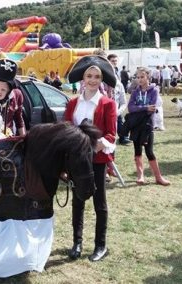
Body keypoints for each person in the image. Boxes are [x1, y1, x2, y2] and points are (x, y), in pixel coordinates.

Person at [65, 55, 117, 262]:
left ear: (101, 79)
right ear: (83, 78)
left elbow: (112, 135)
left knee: (99, 202)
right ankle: (77, 242)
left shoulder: (108, 104)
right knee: (78, 201)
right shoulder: (72, 103)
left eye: (97, 76)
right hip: (77, 161)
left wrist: (94, 146)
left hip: (96, 160)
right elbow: (68, 129)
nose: (93, 80)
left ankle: (100, 245)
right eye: (89, 76)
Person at [126, 67, 170, 186]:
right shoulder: (135, 92)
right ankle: (140, 175)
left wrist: (139, 109)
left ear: (148, 77)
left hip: (147, 124)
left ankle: (158, 177)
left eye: (142, 77)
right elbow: (130, 108)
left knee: (149, 150)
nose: (139, 79)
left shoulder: (154, 90)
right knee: (137, 150)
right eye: (138, 77)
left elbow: (152, 109)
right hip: (136, 125)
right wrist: (145, 108)